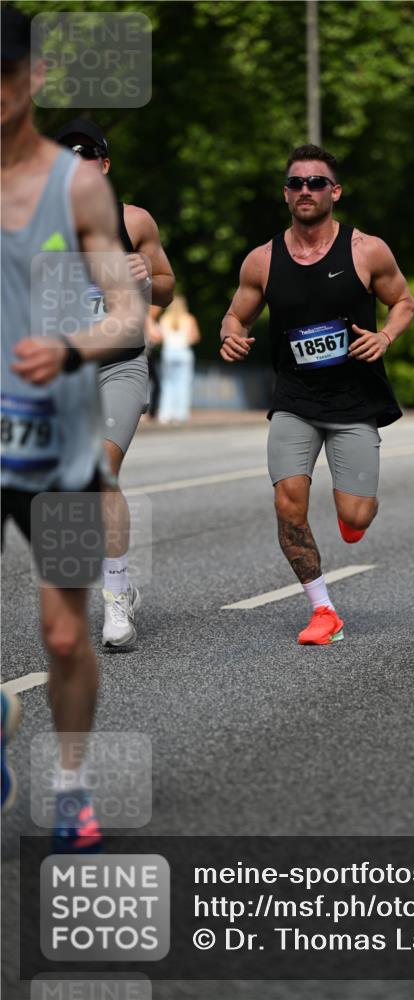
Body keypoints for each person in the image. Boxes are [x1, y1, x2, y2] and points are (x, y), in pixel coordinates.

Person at [1, 8, 145, 844]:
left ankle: (70, 786)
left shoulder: (77, 185)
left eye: (8, 73)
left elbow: (125, 308)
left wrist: (69, 344)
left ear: (37, 77)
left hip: (56, 446)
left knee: (62, 635)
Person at [220, 144, 414, 644]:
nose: (306, 190)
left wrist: (385, 336)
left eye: (316, 182)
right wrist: (230, 335)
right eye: (296, 183)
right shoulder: (262, 260)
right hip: (295, 400)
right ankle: (322, 610)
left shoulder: (367, 250)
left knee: (355, 515)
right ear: (286, 194)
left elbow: (403, 301)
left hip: (354, 401)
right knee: (289, 504)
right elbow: (236, 314)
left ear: (335, 191)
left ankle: (355, 516)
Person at [55, 118, 175, 646]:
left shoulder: (135, 221)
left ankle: (116, 600)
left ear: (104, 164)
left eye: (87, 158)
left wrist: (148, 274)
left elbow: (168, 288)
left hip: (122, 363)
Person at [151, 295, 200, 424]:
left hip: (168, 352)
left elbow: (157, 338)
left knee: (167, 383)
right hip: (184, 352)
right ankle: (181, 414)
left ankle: (165, 414)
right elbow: (195, 337)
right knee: (183, 384)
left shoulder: (164, 319)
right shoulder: (189, 319)